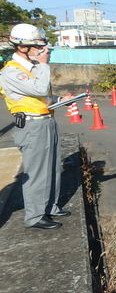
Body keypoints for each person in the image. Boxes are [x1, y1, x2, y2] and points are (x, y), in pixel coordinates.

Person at [0, 23, 72, 229]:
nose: (42, 50)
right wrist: (43, 64)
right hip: (32, 126)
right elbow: (40, 87)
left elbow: (43, 96)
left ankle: (51, 207)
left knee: (54, 168)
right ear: (22, 47)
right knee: (37, 171)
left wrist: (62, 99)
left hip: (47, 121)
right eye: (37, 46)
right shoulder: (12, 72)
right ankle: (35, 216)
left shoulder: (32, 68)